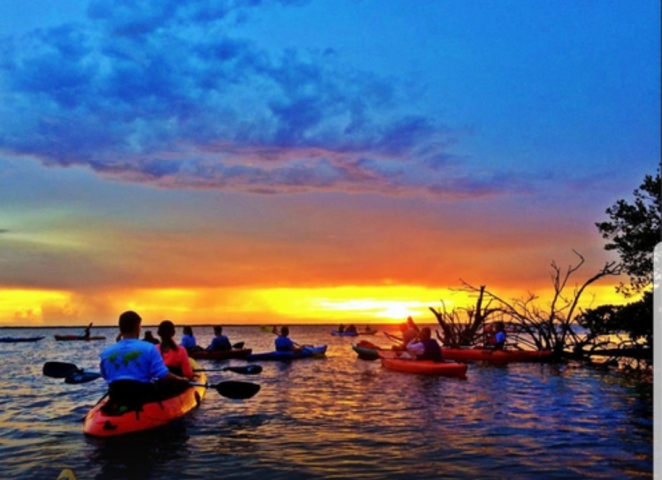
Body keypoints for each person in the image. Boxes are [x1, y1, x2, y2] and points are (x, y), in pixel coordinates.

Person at [99, 311, 191, 407]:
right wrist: (181, 380)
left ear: (120, 328)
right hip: (141, 396)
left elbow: (106, 376)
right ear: (136, 327)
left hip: (116, 395)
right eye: (140, 326)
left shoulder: (105, 353)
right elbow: (163, 376)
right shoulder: (149, 348)